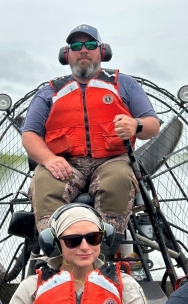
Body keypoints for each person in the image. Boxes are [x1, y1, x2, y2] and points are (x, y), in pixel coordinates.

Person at [21, 24, 161, 257]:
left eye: (90, 45)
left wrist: (135, 125)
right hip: (66, 163)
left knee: (117, 180)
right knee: (44, 182)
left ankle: (103, 254)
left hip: (112, 160)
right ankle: (56, 255)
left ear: (102, 51)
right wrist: (49, 159)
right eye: (76, 46)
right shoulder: (50, 91)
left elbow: (152, 125)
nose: (83, 50)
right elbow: (30, 134)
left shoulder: (123, 83)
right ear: (67, 55)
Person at [6, 203, 156, 304]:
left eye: (93, 238)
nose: (85, 247)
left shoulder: (125, 286)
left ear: (104, 238)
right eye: (73, 240)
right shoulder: (31, 289)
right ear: (55, 243)